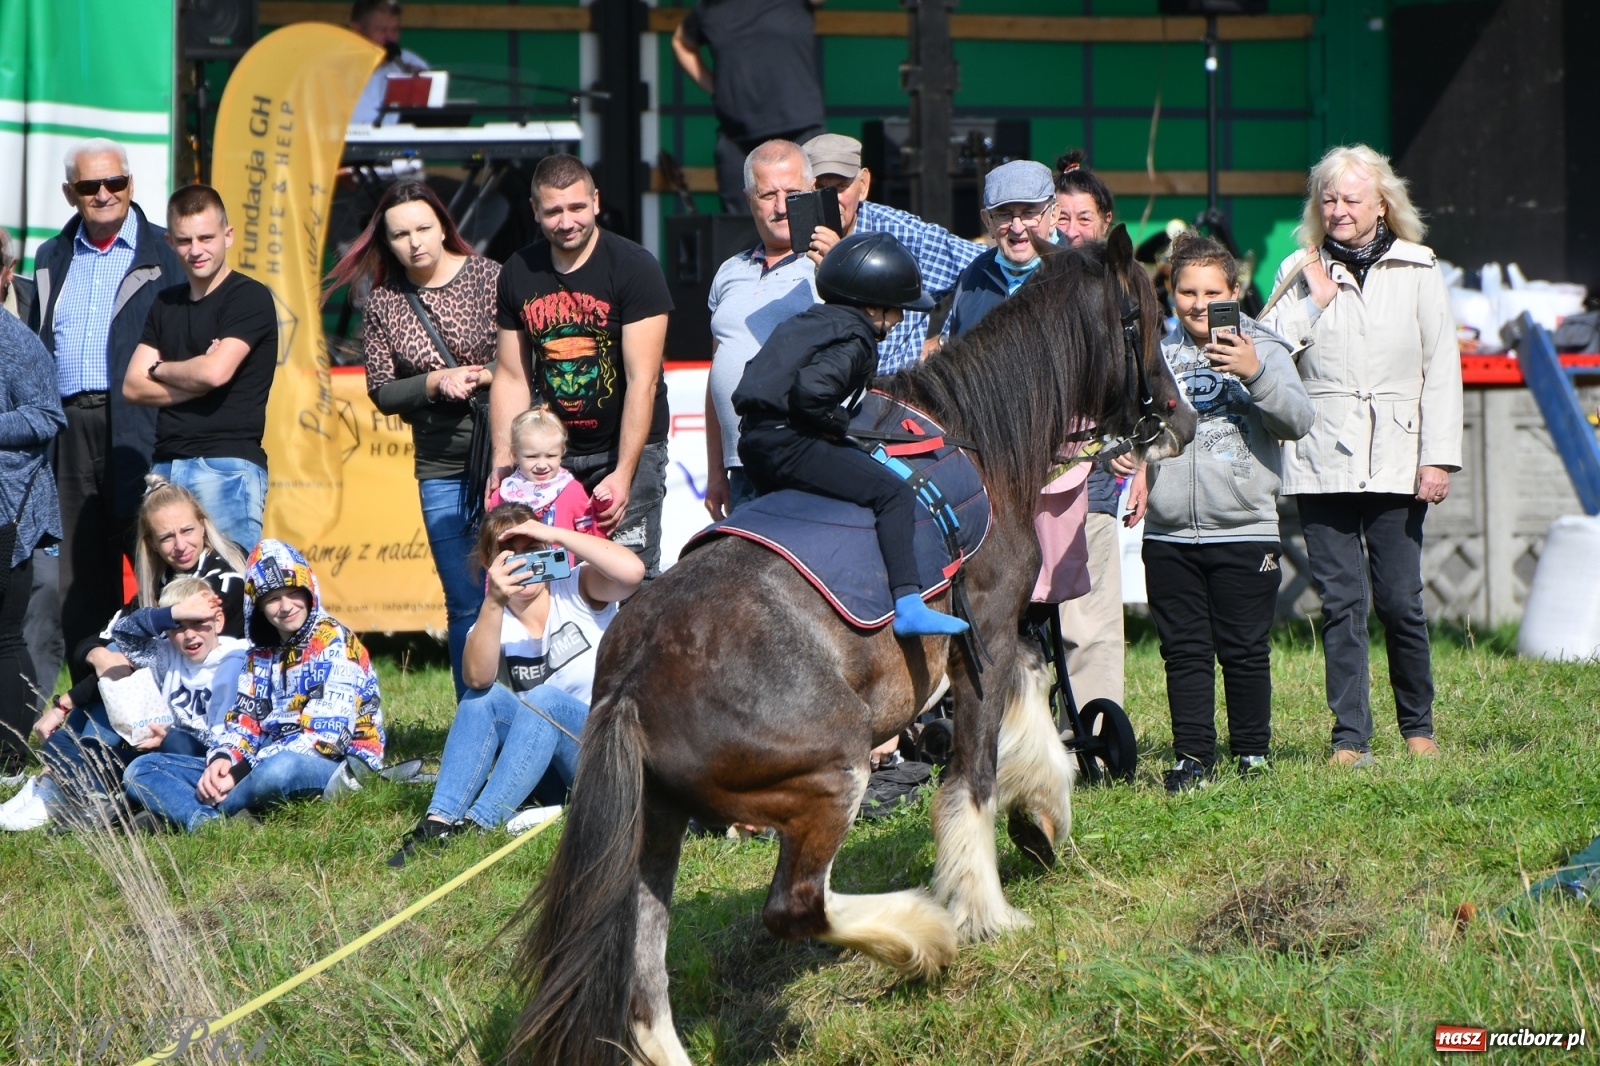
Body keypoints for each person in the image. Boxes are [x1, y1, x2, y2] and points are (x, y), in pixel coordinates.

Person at [1259, 144, 1462, 767]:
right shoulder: (1299, 267)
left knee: (1400, 600)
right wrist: (1310, 300)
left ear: (1381, 203)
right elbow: (1265, 353)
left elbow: (1442, 369)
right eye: (1329, 199)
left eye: (1351, 198)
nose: (1339, 209)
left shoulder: (1421, 268)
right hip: (1324, 454)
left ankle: (1417, 725)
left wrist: (1439, 458)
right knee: (1341, 603)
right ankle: (1350, 737)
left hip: (1400, 454)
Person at [1122, 233, 1313, 793]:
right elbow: (1138, 426)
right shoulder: (1155, 352)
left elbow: (1297, 421)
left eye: (1212, 291)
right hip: (1169, 531)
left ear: (1236, 290)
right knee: (1183, 650)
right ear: (1170, 291)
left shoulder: (1264, 346)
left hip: (1245, 529)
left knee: (1244, 648)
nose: (1198, 303)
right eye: (1186, 291)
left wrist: (1254, 373)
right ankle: (1192, 758)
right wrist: (1135, 467)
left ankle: (1252, 753)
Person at [733, 231, 967, 637]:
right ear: (871, 305)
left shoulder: (809, 320)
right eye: (896, 311)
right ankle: (909, 604)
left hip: (754, 441)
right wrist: (841, 427)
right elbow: (811, 394)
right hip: (790, 442)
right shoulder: (858, 339)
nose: (897, 322)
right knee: (893, 493)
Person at [386, 504, 645, 866]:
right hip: (544, 771)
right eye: (510, 555)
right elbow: (476, 680)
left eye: (532, 550)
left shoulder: (577, 586)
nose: (523, 563)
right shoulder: (494, 617)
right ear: (490, 565)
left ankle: (479, 826)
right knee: (481, 700)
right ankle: (438, 824)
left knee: (544, 700)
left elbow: (633, 573)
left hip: (604, 757)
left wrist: (552, 533)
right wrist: (493, 602)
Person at [327, 180, 497, 698]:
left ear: (444, 227)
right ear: (386, 241)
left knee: (525, 588)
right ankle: (475, 717)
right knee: (464, 600)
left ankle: (535, 714)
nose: (414, 242)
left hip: (506, 459)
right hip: (440, 467)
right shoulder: (383, 302)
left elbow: (525, 359)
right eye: (400, 234)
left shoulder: (491, 278)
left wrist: (483, 375)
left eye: (424, 228)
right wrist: (432, 382)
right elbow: (381, 389)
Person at [28, 138, 184, 679]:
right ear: (71, 192)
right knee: (78, 574)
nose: (103, 194)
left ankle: (167, 697)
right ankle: (90, 704)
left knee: (155, 560)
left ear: (131, 185)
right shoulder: (51, 255)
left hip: (140, 424)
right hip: (67, 429)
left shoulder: (165, 251)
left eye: (113, 183)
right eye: (89, 186)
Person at [489, 154, 674, 578]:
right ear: (535, 211)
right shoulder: (518, 270)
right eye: (553, 211)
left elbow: (643, 381)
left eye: (576, 207)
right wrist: (503, 462)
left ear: (596, 202)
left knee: (630, 578)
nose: (566, 221)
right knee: (545, 575)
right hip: (550, 453)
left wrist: (624, 475)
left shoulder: (634, 266)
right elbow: (512, 376)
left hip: (628, 448)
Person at [121, 540, 385, 831]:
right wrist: (223, 759)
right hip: (257, 761)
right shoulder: (258, 652)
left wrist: (239, 771)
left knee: (279, 771)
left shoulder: (332, 639)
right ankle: (208, 824)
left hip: (331, 761)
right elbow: (244, 725)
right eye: (272, 599)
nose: (285, 607)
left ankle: (182, 810)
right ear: (257, 604)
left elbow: (325, 739)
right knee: (141, 769)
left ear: (309, 589)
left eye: (293, 593)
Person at [8, 580, 249, 832]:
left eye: (198, 622)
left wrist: (170, 736)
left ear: (218, 621)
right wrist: (171, 613)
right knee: (63, 744)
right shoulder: (167, 654)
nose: (189, 634)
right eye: (178, 625)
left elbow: (234, 739)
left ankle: (116, 803)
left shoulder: (239, 658)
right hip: (160, 757)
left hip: (208, 761)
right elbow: (121, 633)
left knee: (153, 760)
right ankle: (98, 800)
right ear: (166, 630)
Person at [122, 185, 278, 552]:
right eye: (184, 240)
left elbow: (215, 373)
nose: (196, 250)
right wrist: (195, 374)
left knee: (227, 588)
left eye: (206, 237)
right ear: (169, 241)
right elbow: (132, 386)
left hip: (226, 465)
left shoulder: (249, 297)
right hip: (166, 467)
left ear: (228, 235)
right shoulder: (165, 302)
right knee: (172, 599)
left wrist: (160, 367)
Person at [1050, 150, 1134, 714]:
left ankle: (1092, 740)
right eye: (1062, 217)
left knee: (1090, 619)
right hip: (1020, 479)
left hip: (1093, 476)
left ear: (1106, 222)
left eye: (1085, 218)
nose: (1073, 230)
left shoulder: (1122, 293)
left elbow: (1140, 386)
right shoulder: (1032, 283)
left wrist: (1141, 457)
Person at [704, 139, 820, 519]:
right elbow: (717, 375)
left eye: (793, 193)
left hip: (804, 461)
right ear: (748, 198)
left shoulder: (832, 267)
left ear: (813, 191)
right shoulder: (728, 271)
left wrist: (834, 261)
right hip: (741, 468)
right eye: (768, 194)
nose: (781, 206)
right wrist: (716, 469)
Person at [799, 133, 983, 372]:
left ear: (863, 185)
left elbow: (989, 267)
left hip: (887, 394)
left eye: (840, 187)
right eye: (819, 189)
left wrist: (946, 341)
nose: (829, 199)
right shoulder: (787, 238)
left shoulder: (902, 235)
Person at [670, 0, 827, 214]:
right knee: (741, 233)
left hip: (800, 129)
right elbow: (681, 42)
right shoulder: (710, 9)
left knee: (810, 223)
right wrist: (717, 88)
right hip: (739, 138)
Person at [0, 306, 65, 783]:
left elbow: (46, 415)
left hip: (8, 505)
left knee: (3, 637)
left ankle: (8, 763)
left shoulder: (15, 340)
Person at [485, 407, 595, 531]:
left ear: (561, 453)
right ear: (515, 455)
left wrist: (602, 506)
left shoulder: (572, 490)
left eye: (551, 456)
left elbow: (590, 538)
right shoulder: (502, 495)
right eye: (532, 456)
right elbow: (491, 539)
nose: (542, 465)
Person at [349, 0, 430, 127]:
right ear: (357, 30)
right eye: (382, 30)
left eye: (394, 30)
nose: (390, 38)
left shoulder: (412, 64)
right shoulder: (335, 69)